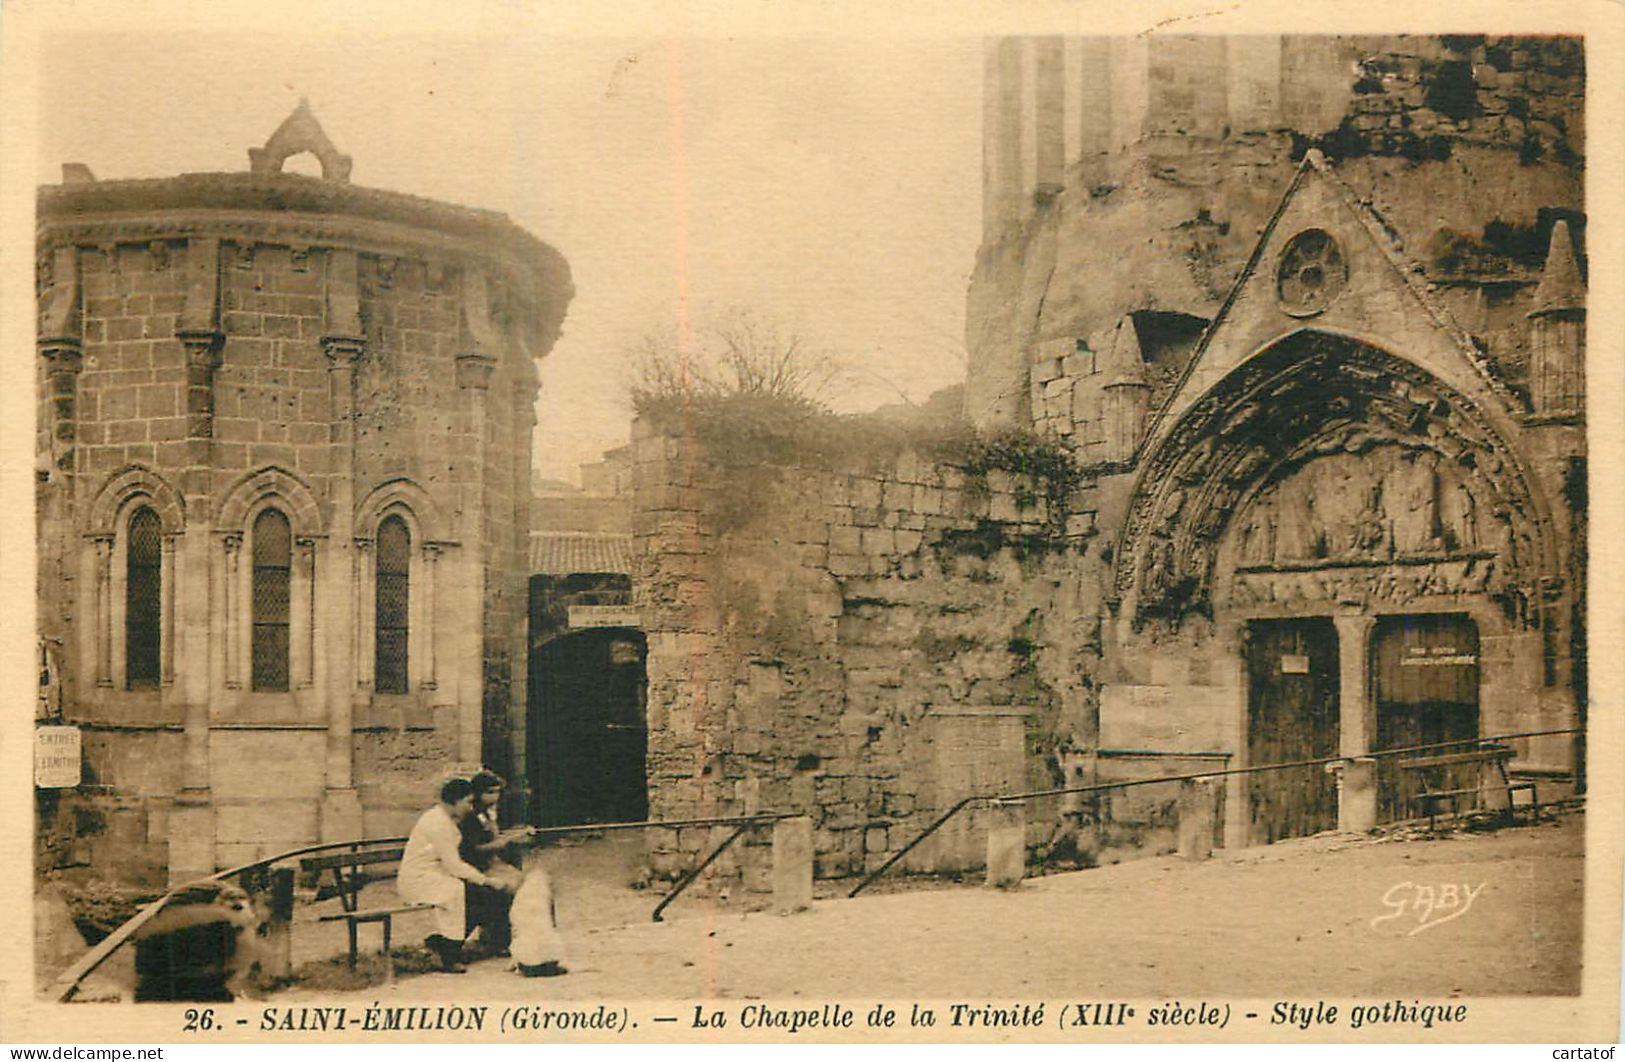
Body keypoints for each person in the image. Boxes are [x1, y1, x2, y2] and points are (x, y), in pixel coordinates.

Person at [398, 777, 501, 973]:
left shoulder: (444, 819)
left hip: (434, 874)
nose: (471, 807)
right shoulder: (437, 822)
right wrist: (486, 880)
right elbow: (454, 865)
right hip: (418, 879)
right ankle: (449, 955)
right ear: (454, 801)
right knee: (458, 889)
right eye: (468, 802)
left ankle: (445, 944)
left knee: (475, 893)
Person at [458, 770, 528, 957]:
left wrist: (512, 835)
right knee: (508, 887)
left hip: (489, 864)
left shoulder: (486, 814)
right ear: (477, 793)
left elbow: (493, 836)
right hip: (475, 866)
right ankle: (498, 940)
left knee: (523, 882)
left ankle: (503, 938)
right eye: (490, 792)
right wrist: (501, 843)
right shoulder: (470, 816)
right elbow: (472, 849)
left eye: (497, 792)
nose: (495, 796)